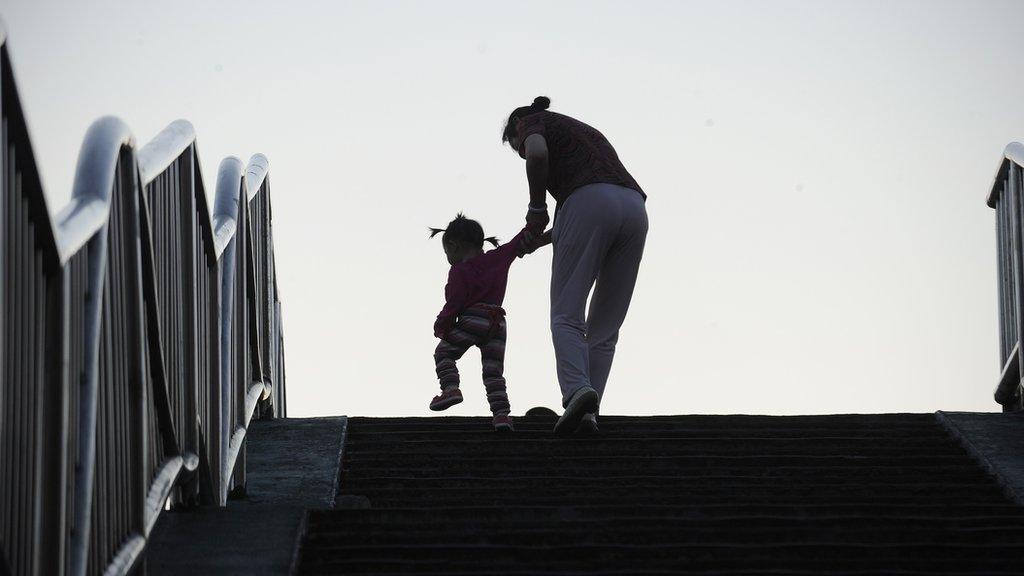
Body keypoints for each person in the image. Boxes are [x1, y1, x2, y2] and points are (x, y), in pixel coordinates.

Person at [504, 96, 648, 435]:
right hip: (633, 208)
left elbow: (538, 154)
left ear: (515, 129)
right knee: (606, 326)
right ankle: (587, 415)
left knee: (566, 315)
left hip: (584, 201)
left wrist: (537, 208)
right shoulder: (584, 131)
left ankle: (576, 392)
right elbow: (600, 204)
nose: (521, 151)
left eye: (516, 148)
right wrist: (541, 239)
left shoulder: (529, 121)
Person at [429, 213, 546, 432]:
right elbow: (518, 241)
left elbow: (454, 303)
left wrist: (442, 326)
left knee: (443, 353)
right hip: (498, 322)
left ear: (453, 245)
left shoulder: (459, 271)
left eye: (446, 252)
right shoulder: (499, 257)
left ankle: (450, 389)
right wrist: (535, 224)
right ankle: (501, 416)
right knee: (493, 372)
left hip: (473, 317)